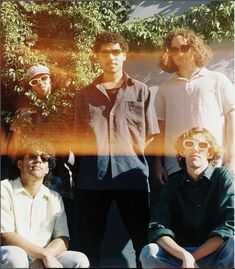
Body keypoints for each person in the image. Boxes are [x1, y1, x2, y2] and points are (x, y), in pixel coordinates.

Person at [73, 31, 159, 267]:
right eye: (105, 53)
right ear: (97, 57)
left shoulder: (141, 90)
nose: (110, 57)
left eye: (116, 52)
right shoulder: (83, 95)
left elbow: (151, 133)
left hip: (131, 175)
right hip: (93, 177)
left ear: (124, 56)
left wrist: (128, 152)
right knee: (89, 242)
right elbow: (79, 137)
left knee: (142, 240)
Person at [140, 127, 234, 268]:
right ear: (183, 151)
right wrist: (185, 256)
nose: (195, 149)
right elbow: (158, 226)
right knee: (149, 252)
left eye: (202, 145)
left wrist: (192, 259)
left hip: (214, 255)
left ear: (210, 153)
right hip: (179, 256)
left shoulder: (222, 177)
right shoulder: (173, 183)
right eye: (189, 144)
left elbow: (230, 224)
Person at [154, 28, 234, 185]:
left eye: (184, 47)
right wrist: (157, 164)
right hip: (175, 168)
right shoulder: (165, 89)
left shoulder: (218, 80)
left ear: (195, 48)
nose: (180, 53)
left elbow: (232, 118)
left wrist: (231, 160)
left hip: (212, 165)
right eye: (174, 49)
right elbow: (160, 130)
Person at [4, 64, 77, 237]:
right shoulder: (24, 113)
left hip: (60, 174)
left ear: (51, 79)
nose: (41, 83)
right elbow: (11, 152)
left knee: (61, 222)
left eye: (44, 78)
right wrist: (19, 127)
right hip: (32, 175)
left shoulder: (65, 108)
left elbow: (72, 148)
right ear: (30, 87)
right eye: (34, 81)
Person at [0, 138, 90, 268]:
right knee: (15, 256)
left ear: (48, 169)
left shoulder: (55, 198)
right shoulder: (4, 189)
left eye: (44, 158)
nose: (38, 160)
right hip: (9, 254)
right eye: (32, 156)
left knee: (79, 259)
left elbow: (63, 238)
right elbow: (6, 236)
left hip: (42, 258)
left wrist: (42, 259)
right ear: (19, 164)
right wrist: (45, 256)